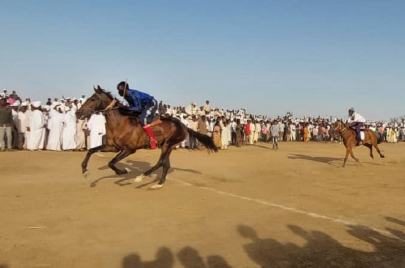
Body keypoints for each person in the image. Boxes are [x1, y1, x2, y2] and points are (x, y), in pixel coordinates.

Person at [117, 81, 158, 149]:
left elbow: (138, 108)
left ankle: (153, 139)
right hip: (142, 106)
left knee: (142, 120)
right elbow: (132, 106)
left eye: (120, 90)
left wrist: (125, 108)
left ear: (125, 89)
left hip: (150, 103)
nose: (119, 92)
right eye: (118, 90)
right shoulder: (126, 96)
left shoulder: (134, 94)